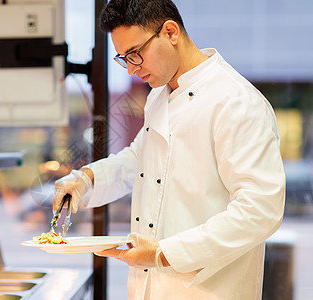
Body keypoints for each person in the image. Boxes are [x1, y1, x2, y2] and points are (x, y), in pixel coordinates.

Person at [52, 0, 286, 299]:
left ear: (171, 32)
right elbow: (141, 158)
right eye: (124, 58)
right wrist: (85, 177)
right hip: (148, 286)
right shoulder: (159, 96)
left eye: (136, 54)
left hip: (208, 290)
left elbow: (260, 210)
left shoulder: (236, 101)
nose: (133, 69)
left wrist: (165, 253)